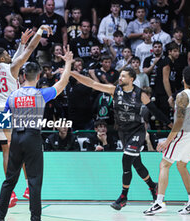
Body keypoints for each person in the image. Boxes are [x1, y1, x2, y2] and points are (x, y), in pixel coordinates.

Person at [70, 67, 172, 211]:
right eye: (120, 75)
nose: (120, 78)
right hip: (124, 133)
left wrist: (171, 124)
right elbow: (92, 83)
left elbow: (155, 111)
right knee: (137, 164)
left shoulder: (140, 94)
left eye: (123, 76)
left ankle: (123, 197)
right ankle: (152, 186)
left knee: (126, 160)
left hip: (137, 131)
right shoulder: (114, 90)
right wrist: (71, 72)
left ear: (131, 79)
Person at [0, 46, 73, 221]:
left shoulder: (12, 96)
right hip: (32, 137)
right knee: (34, 180)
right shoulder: (41, 94)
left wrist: (10, 139)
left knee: (9, 180)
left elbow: (2, 121)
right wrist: (68, 62)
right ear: (38, 77)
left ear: (22, 77)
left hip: (16, 137)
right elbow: (62, 83)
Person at [0, 25, 53, 208]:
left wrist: (20, 44)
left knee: (6, 152)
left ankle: (10, 194)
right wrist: (39, 31)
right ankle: (27, 187)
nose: (11, 55)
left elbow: (13, 62)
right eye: (7, 54)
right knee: (23, 147)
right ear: (3, 57)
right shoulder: (12, 67)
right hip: (12, 109)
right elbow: (28, 53)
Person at [144, 66, 190, 215]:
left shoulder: (183, 95)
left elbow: (179, 122)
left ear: (183, 80)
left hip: (185, 132)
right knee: (182, 166)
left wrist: (167, 141)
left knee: (164, 164)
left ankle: (159, 202)